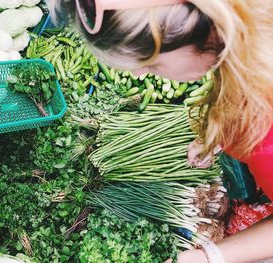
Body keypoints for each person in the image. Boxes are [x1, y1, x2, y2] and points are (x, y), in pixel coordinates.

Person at [49, 0, 273, 262]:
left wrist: (202, 258)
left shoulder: (262, 132)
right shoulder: (246, 37)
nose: (141, 74)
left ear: (208, 29)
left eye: (151, 63)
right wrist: (218, 135)